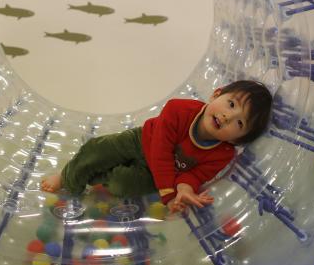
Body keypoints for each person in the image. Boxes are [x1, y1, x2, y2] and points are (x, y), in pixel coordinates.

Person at [40, 80, 272, 213]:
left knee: (122, 185)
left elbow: (195, 174)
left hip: (159, 175)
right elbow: (160, 151)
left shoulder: (223, 153)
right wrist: (168, 193)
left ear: (236, 139)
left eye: (239, 122)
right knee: (97, 150)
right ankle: (68, 178)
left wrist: (185, 189)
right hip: (142, 142)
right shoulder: (179, 110)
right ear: (216, 94)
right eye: (231, 104)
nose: (227, 116)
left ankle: (97, 177)